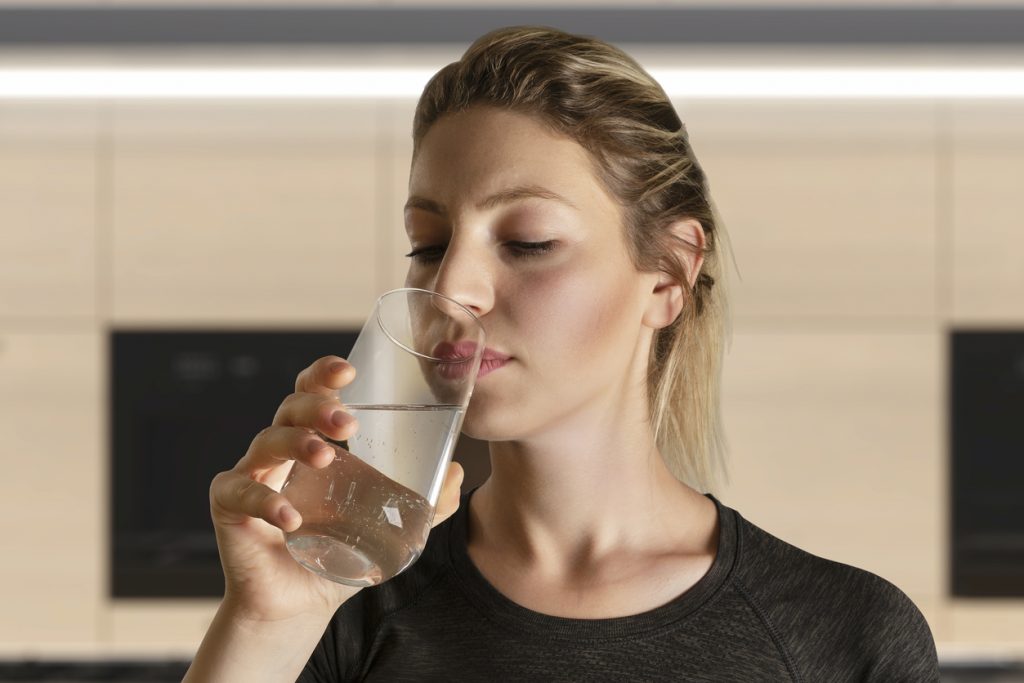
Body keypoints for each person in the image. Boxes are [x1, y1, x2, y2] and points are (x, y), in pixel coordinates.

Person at [184, 26, 940, 682]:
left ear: (670, 274)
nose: (454, 288)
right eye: (428, 244)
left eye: (527, 242)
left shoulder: (847, 637)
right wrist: (264, 622)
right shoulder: (338, 615)